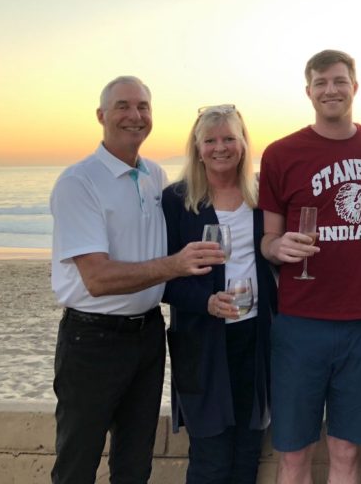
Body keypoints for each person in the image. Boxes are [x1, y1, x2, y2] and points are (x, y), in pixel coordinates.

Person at [50, 76, 226, 484]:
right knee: (78, 462)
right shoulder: (79, 182)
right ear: (101, 115)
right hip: (92, 340)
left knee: (135, 463)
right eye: (123, 106)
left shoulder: (154, 176)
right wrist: (175, 265)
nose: (135, 115)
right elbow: (97, 278)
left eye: (143, 106)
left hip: (149, 335)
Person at [258, 50, 361, 484]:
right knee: (294, 454)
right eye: (321, 83)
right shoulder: (280, 154)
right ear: (308, 91)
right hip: (300, 325)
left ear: (355, 86)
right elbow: (267, 240)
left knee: (347, 451)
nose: (330, 90)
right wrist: (279, 247)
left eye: (339, 81)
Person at [162, 105, 277, 484]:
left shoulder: (261, 196)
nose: (220, 147)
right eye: (210, 140)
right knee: (210, 458)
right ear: (197, 148)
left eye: (229, 138)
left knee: (247, 455)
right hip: (202, 342)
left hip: (255, 340)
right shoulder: (176, 200)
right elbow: (161, 276)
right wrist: (206, 302)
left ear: (243, 144)